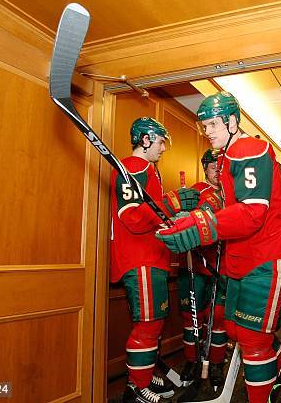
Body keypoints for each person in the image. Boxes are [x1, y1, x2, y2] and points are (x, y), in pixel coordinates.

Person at [156, 91, 281, 403]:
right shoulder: (229, 155)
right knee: (233, 328)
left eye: (212, 124)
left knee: (252, 337)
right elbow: (232, 213)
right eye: (204, 125)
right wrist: (194, 221)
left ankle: (271, 392)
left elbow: (252, 211)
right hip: (245, 256)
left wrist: (201, 228)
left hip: (267, 254)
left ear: (233, 121)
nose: (207, 131)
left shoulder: (248, 148)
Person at [111, 117, 189, 403]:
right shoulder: (132, 167)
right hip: (139, 259)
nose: (164, 147)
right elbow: (131, 215)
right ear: (145, 140)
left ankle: (142, 376)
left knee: (153, 324)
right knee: (147, 325)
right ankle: (137, 388)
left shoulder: (146, 169)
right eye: (160, 141)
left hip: (150, 258)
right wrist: (172, 203)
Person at [176, 149, 228, 388]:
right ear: (205, 167)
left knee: (218, 317)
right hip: (196, 265)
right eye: (213, 166)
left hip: (222, 265)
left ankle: (216, 363)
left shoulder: (231, 193)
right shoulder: (196, 190)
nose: (217, 170)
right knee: (191, 316)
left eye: (221, 166)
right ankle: (192, 360)